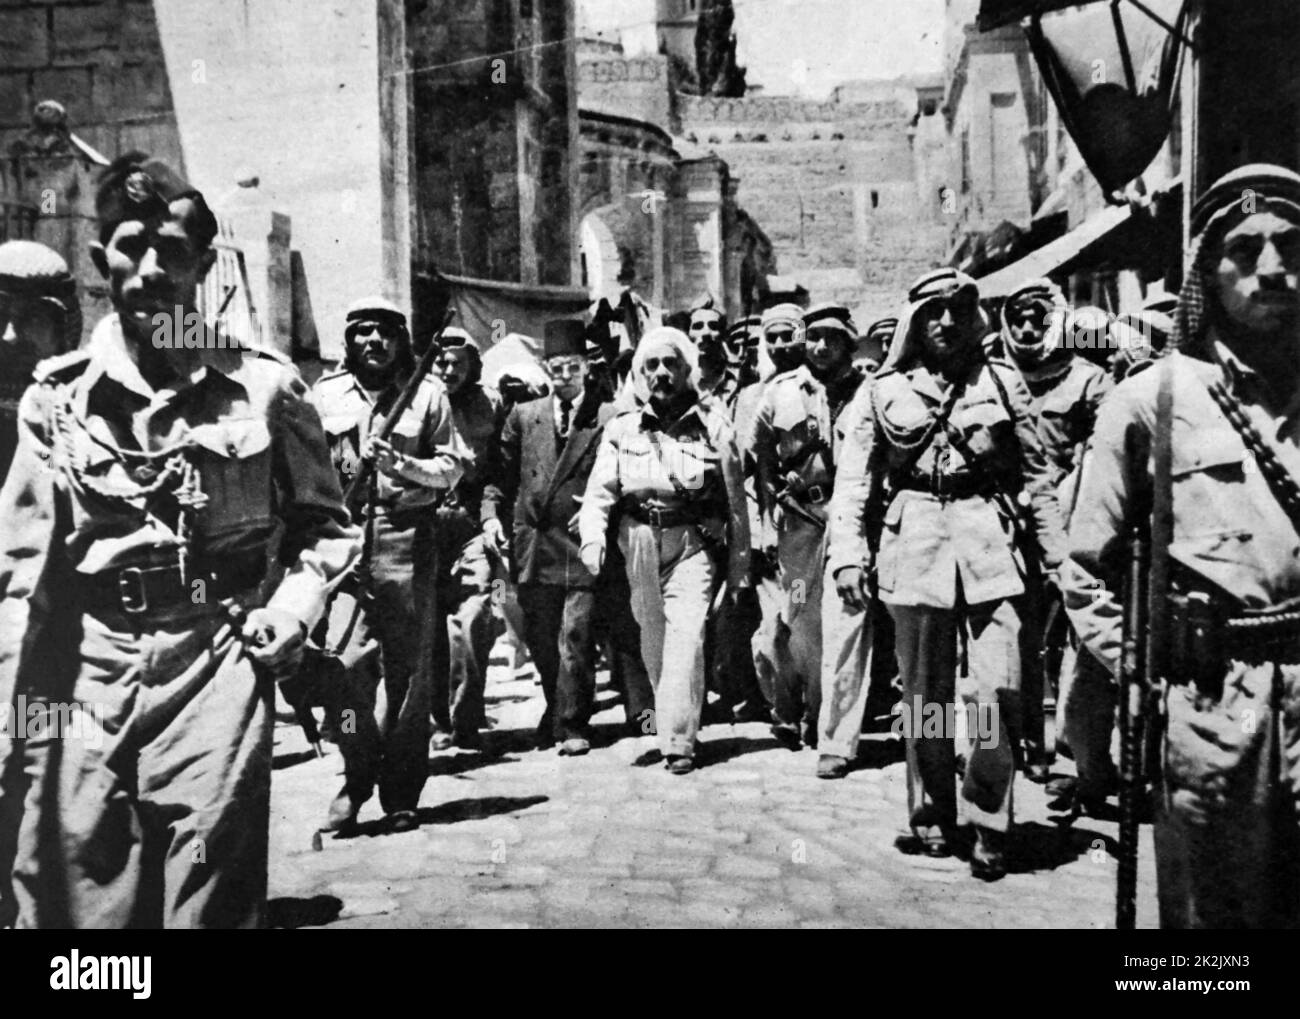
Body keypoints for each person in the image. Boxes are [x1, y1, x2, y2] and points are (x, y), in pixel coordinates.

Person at [0, 153, 360, 927]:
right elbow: (21, 581)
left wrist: (292, 614)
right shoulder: (56, 400)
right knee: (87, 897)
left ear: (203, 265)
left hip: (215, 660)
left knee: (207, 893)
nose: (152, 268)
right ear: (102, 262)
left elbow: (326, 529)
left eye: (174, 251)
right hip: (86, 675)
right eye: (132, 246)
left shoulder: (262, 388)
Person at [1063, 164, 1300, 928]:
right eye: (1246, 248)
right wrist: (1140, 675)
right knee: (1208, 937)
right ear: (1206, 269)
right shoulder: (1153, 400)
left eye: (1292, 247)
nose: (1273, 267)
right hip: (1209, 706)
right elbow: (1086, 568)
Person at [828, 268, 1056, 879]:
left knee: (994, 687)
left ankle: (989, 820)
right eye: (934, 312)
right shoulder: (882, 391)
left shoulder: (1002, 381)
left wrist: (1058, 557)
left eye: (958, 309)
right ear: (915, 322)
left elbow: (1038, 474)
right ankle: (932, 812)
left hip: (988, 538)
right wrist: (848, 553)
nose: (947, 322)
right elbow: (852, 483)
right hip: (915, 539)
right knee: (925, 694)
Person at [310, 298, 466, 833]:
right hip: (348, 540)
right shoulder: (325, 395)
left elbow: (453, 468)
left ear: (401, 341)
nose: (373, 341)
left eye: (385, 333)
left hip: (408, 538)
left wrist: (405, 466)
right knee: (345, 667)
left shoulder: (428, 396)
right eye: (363, 332)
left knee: (408, 674)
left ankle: (400, 790)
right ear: (349, 341)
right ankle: (356, 776)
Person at [579, 326, 750, 774]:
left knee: (687, 638)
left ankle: (679, 741)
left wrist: (739, 570)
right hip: (637, 543)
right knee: (653, 640)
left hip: (691, 544)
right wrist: (593, 539)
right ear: (639, 373)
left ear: (686, 369)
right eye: (651, 365)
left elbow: (736, 505)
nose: (661, 374)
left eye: (670, 364)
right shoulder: (622, 428)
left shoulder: (713, 426)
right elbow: (600, 491)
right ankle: (674, 720)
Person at [481, 320, 651, 755]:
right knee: (541, 637)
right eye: (556, 368)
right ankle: (558, 709)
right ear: (546, 369)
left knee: (575, 632)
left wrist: (599, 510)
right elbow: (499, 477)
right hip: (534, 543)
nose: (564, 376)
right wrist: (490, 518)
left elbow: (627, 476)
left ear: (586, 368)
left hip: (581, 543)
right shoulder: (524, 415)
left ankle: (573, 724)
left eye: (572, 367)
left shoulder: (609, 416)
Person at [990, 283, 1110, 786]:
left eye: (1037, 320)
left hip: (1070, 526)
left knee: (1073, 635)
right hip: (1005, 528)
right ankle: (1024, 743)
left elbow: (1106, 451)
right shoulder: (992, 378)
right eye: (1016, 319)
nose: (1026, 330)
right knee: (1014, 638)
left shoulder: (1089, 380)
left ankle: (1071, 741)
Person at [0, 239, 81, 927]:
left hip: (53, 651)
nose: (8, 334)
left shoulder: (86, 416)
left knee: (32, 789)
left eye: (31, 316)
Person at [752, 302, 866, 756]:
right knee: (799, 620)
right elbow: (759, 459)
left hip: (851, 520)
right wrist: (766, 518)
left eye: (831, 338)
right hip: (800, 525)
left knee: (847, 621)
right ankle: (799, 707)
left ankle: (829, 729)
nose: (820, 346)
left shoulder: (868, 391)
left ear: (847, 343)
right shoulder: (780, 393)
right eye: (813, 337)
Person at [429, 327, 507, 751]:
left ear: (474, 367)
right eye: (441, 361)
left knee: (475, 618)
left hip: (470, 526)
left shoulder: (489, 403)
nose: (448, 369)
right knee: (431, 631)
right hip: (423, 527)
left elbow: (500, 465)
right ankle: (440, 718)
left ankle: (465, 717)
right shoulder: (418, 400)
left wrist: (493, 517)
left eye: (459, 363)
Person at [0, 241, 81, 481]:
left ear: (63, 331)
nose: (10, 337)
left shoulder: (71, 434)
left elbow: (48, 474)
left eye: (32, 317)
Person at [687, 306, 739, 410]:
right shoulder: (682, 383)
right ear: (688, 335)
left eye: (713, 326)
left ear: (724, 335)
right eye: (698, 326)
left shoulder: (736, 383)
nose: (706, 333)